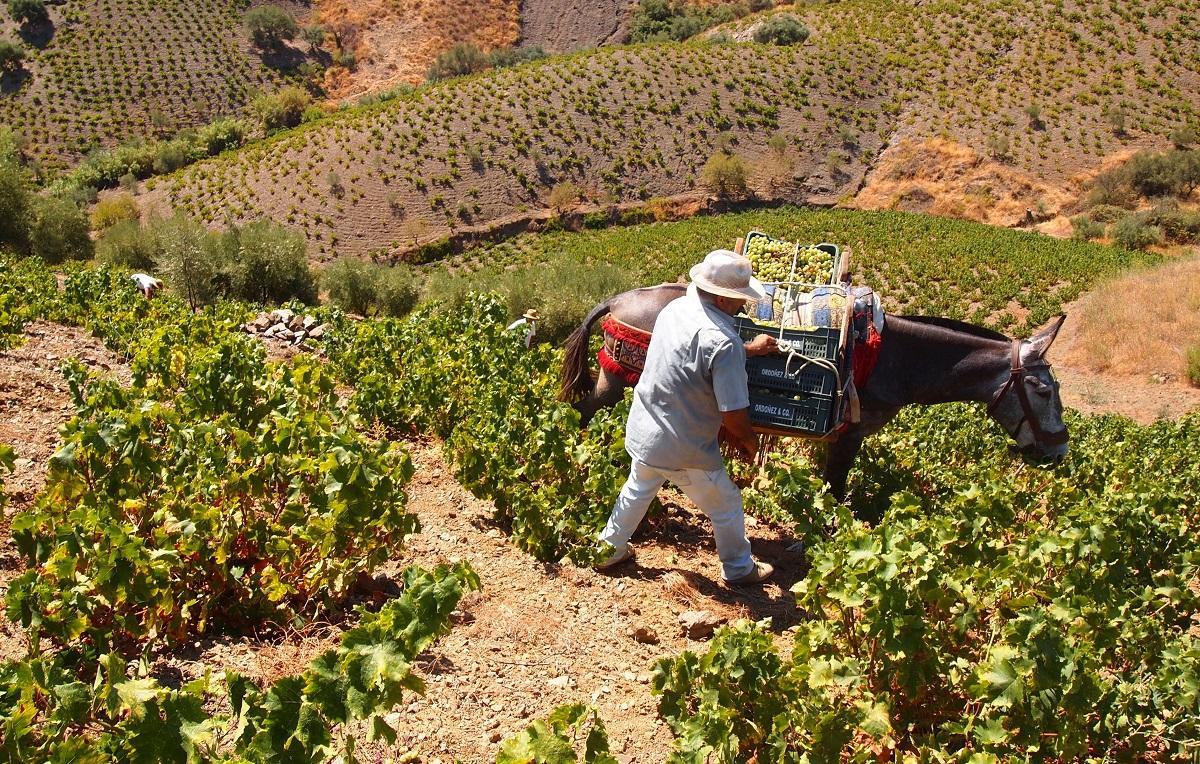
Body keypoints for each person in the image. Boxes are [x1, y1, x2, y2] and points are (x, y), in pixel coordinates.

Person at [596, 249, 779, 585]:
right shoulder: (723, 343)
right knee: (726, 503)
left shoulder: (676, 309)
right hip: (684, 447)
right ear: (724, 300)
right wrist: (750, 443)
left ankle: (608, 550)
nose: (742, 305)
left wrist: (748, 349)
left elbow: (693, 351)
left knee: (638, 487)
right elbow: (734, 414)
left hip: (645, 428)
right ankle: (739, 568)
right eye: (739, 299)